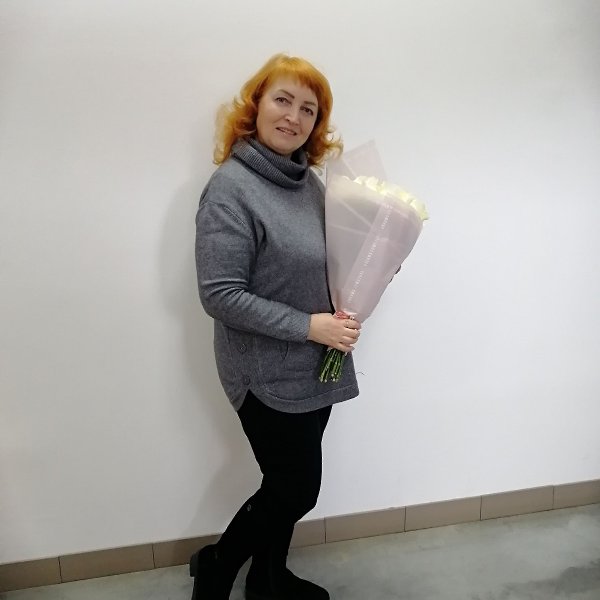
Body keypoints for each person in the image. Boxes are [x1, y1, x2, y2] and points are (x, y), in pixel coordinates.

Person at [192, 53, 361, 600]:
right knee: (295, 488)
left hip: (315, 362)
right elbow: (220, 295)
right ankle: (217, 566)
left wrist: (372, 269)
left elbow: (329, 260)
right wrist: (310, 327)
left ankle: (268, 580)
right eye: (282, 100)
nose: (294, 116)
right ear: (256, 106)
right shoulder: (231, 188)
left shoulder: (310, 184)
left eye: (308, 109)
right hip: (263, 370)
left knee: (285, 483)